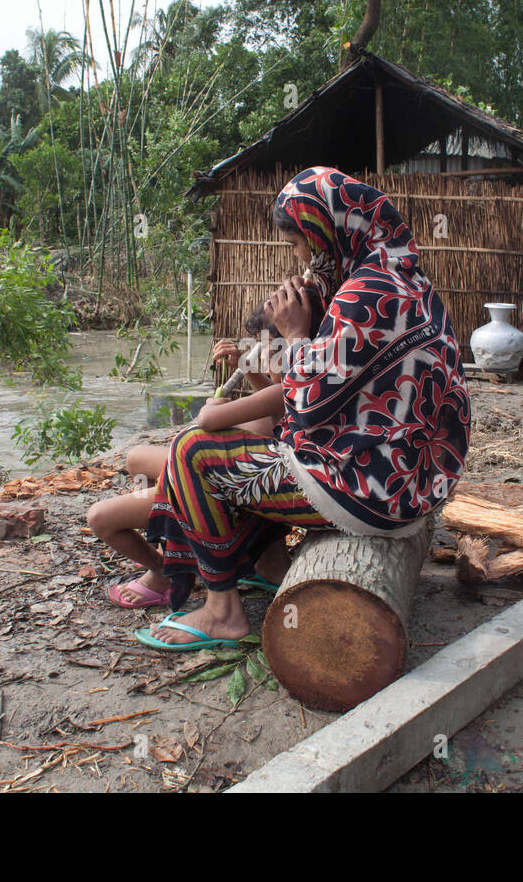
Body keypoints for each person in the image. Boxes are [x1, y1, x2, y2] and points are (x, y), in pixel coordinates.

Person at [133, 166, 470, 650]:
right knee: (259, 445)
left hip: (374, 492)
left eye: (297, 245)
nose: (300, 259)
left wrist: (293, 334)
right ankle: (261, 564)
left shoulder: (365, 295)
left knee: (191, 451)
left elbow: (308, 404)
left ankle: (222, 610)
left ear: (323, 232)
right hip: (413, 483)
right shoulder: (404, 280)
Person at [88, 289, 325, 609]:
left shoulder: (297, 386)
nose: (267, 359)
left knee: (100, 517)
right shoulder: (314, 387)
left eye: (272, 352)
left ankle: (164, 572)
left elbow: (211, 421)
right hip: (258, 481)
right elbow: (276, 407)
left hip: (242, 493)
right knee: (141, 460)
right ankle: (173, 549)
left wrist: (217, 411)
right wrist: (248, 371)